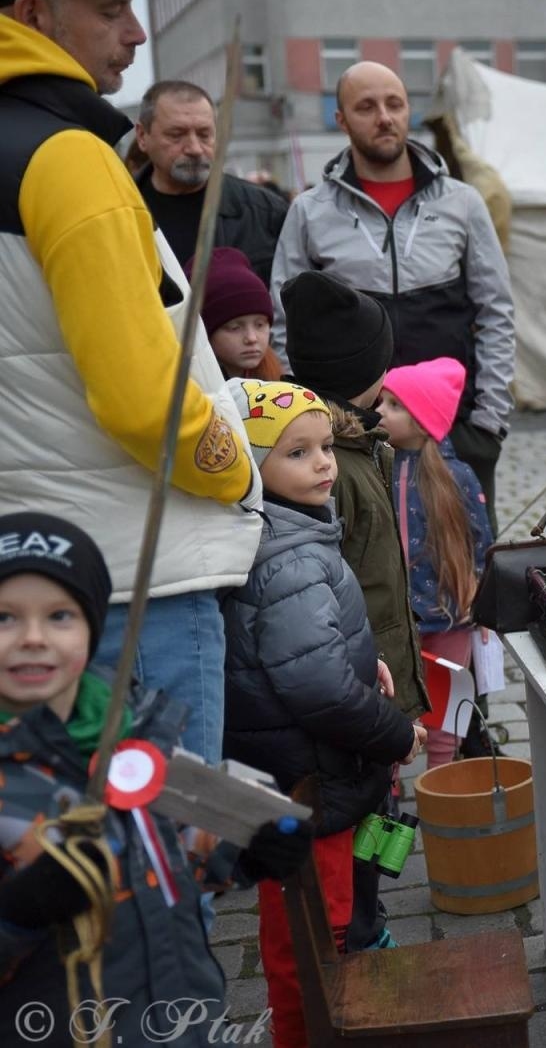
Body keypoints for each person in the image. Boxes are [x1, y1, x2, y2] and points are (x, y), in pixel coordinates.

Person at [0, 0, 262, 768]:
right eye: (112, 10)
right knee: (154, 840)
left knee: (48, 835)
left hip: (27, 576)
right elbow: (147, 401)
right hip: (129, 580)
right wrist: (236, 472)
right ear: (33, 14)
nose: (138, 33)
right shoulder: (67, 159)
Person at [0, 512, 311, 1047]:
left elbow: (168, 851)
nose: (33, 637)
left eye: (59, 615)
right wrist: (17, 914)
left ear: (92, 628)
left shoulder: (132, 730)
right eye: (4, 617)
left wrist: (245, 850)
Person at [219, 379, 424, 1048]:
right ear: (254, 464)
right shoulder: (292, 557)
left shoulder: (288, 533)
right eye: (297, 453)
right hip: (311, 785)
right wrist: (394, 733)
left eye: (326, 447)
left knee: (302, 932)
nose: (324, 464)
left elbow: (304, 647)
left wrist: (365, 661)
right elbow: (316, 685)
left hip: (303, 779)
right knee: (316, 940)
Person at [270, 60, 516, 528]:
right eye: (366, 107)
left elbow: (496, 311)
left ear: (408, 110)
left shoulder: (462, 202)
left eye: (394, 104)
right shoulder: (310, 211)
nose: (384, 117)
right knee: (368, 562)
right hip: (350, 439)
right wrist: (316, 425)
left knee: (463, 564)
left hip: (453, 432)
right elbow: (285, 322)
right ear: (341, 119)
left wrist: (489, 424)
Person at [281, 269, 430, 953]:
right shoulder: (330, 466)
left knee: (381, 801)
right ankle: (360, 926)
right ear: (364, 371)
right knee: (364, 803)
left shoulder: (359, 445)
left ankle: (369, 908)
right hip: (360, 677)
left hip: (380, 669)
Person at [376, 358, 492, 767]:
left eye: (394, 405)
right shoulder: (375, 466)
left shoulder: (457, 476)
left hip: (448, 618)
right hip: (392, 621)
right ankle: (388, 788)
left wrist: (481, 604)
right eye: (382, 401)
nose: (380, 410)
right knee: (391, 707)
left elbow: (481, 544)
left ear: (424, 420)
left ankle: (440, 783)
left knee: (446, 710)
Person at [133, 79, 287, 282]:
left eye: (204, 135)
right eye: (176, 135)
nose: (195, 149)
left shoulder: (266, 213)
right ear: (142, 136)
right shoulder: (119, 212)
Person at [195, 246, 283, 379]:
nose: (252, 338)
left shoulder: (275, 379)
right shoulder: (190, 385)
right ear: (205, 332)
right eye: (235, 328)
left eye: (260, 325)